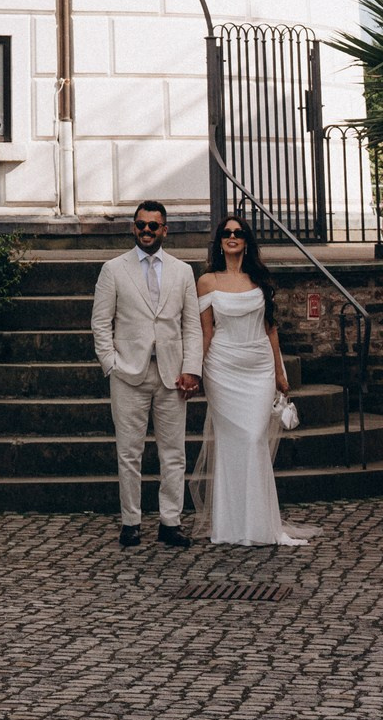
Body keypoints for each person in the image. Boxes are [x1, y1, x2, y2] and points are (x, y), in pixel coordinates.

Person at [191, 213, 313, 547]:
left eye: (239, 233)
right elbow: (206, 331)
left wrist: (279, 372)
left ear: (246, 241)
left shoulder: (259, 279)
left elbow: (270, 329)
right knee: (233, 441)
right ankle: (231, 525)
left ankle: (259, 524)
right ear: (220, 242)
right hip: (222, 367)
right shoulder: (207, 282)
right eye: (227, 233)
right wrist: (195, 370)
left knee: (255, 437)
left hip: (258, 366)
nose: (232, 237)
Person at [91, 200, 204, 549]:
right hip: (128, 373)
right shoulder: (113, 269)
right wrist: (111, 364)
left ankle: (171, 522)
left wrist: (191, 369)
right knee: (129, 452)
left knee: (174, 453)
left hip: (172, 375)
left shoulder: (182, 271)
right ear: (133, 227)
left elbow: (192, 326)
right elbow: (100, 323)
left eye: (153, 226)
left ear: (164, 230)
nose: (146, 231)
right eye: (141, 225)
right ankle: (131, 522)